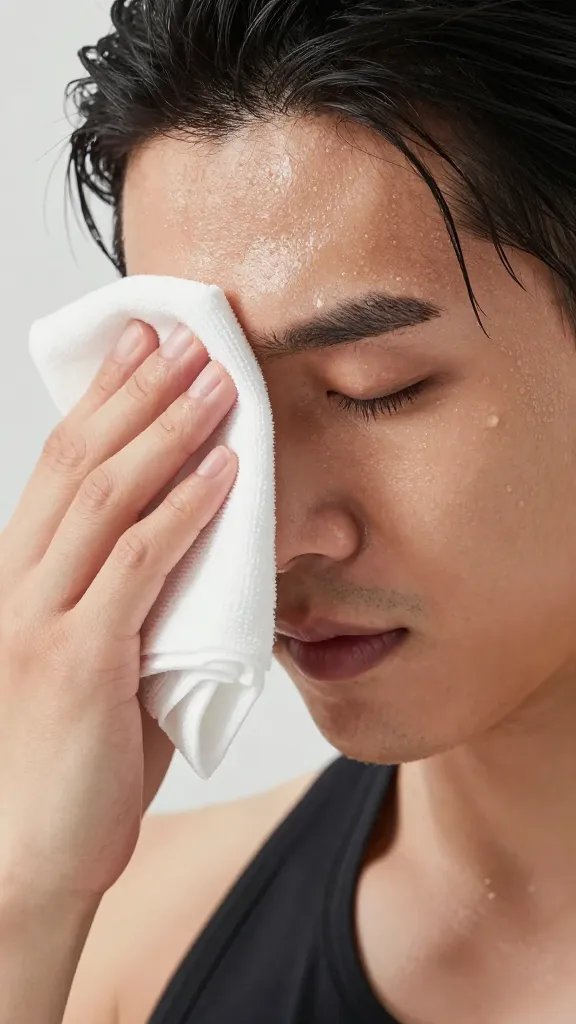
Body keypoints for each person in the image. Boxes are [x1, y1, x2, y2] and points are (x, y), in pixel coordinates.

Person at [2, 0, 576, 1020]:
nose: (270, 535)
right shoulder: (121, 943)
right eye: (215, 412)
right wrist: (26, 890)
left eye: (372, 387)